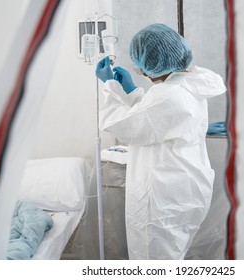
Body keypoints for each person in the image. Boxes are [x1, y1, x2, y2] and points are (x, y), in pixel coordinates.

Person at [95, 23, 226, 259]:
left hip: (162, 199)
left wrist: (109, 86)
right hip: (186, 188)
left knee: (153, 262)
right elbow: (156, 120)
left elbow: (120, 123)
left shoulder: (168, 97)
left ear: (147, 67)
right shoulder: (190, 85)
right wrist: (133, 91)